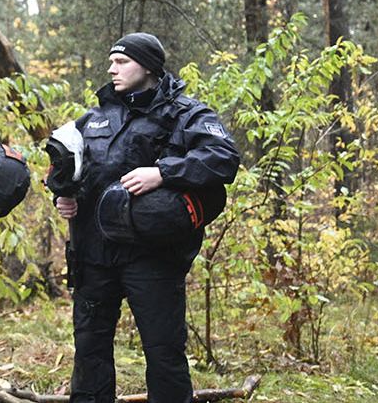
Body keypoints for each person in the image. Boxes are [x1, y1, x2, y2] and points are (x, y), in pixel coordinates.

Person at [45, 33, 240, 403]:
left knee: (164, 353)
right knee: (89, 352)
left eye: (121, 62)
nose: (111, 69)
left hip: (153, 258)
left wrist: (163, 172)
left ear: (148, 66)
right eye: (111, 61)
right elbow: (71, 172)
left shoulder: (187, 115)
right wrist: (66, 197)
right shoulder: (94, 118)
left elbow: (223, 158)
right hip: (94, 258)